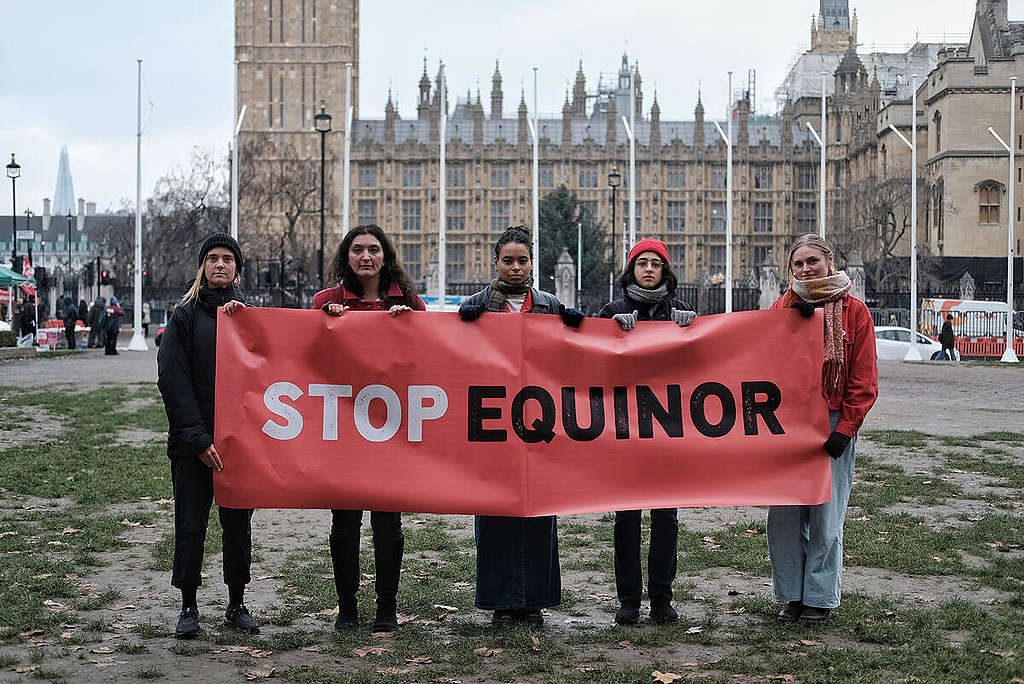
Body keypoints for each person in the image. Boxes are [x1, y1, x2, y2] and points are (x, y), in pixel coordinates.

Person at [458, 225, 585, 627]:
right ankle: (501, 601)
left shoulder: (548, 303)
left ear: (533, 264)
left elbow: (566, 359)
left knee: (538, 516)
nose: (516, 268)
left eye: (523, 261)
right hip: (494, 427)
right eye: (508, 261)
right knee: (495, 517)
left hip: (536, 426)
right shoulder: (476, 304)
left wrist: (574, 328)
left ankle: (532, 601)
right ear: (495, 263)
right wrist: (462, 326)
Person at [311, 224, 425, 633]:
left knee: (387, 524)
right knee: (344, 524)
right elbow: (305, 358)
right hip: (342, 428)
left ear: (385, 256)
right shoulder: (326, 302)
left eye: (373, 250)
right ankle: (346, 608)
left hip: (389, 429)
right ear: (347, 257)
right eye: (357, 250)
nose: (366, 257)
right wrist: (326, 324)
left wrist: (409, 325)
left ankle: (387, 607)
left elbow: (427, 358)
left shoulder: (409, 302)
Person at [767, 234, 878, 623]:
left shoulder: (855, 312)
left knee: (826, 518)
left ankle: (819, 597)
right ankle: (791, 595)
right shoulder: (781, 308)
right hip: (789, 425)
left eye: (812, 261)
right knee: (783, 517)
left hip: (833, 424)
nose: (804, 269)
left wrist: (845, 429)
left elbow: (864, 380)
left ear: (830, 262)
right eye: (797, 264)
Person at [157, 232, 259, 639]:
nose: (220, 264)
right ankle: (188, 605)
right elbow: (173, 381)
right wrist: (198, 439)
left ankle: (236, 602)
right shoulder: (183, 315)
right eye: (212, 258)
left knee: (238, 528)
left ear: (237, 268)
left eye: (228, 259)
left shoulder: (248, 316)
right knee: (191, 525)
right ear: (202, 265)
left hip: (238, 446)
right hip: (193, 446)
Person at [596, 238, 697, 625]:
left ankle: (661, 598)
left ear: (665, 271)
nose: (650, 269)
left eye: (656, 263)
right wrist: (609, 330)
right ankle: (628, 599)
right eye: (642, 263)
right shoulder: (612, 310)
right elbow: (589, 356)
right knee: (627, 518)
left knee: (666, 518)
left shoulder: (682, 312)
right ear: (632, 270)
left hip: (668, 428)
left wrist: (690, 329)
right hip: (625, 427)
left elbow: (701, 365)